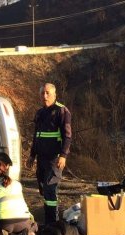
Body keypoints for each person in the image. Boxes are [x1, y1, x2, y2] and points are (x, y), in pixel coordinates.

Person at [26, 83, 72, 224]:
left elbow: (67, 136)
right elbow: (37, 135)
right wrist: (32, 155)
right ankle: (48, 220)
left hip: (54, 159)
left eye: (48, 93)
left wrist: (63, 155)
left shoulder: (62, 111)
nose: (45, 96)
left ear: (54, 95)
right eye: (43, 93)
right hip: (41, 158)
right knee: (44, 190)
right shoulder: (39, 113)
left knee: (50, 189)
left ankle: (53, 223)